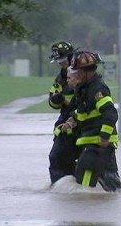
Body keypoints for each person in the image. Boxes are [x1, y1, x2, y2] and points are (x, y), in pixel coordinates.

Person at [69, 50, 121, 192]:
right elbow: (85, 111)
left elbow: (110, 113)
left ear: (87, 71)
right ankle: (116, 202)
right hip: (93, 141)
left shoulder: (97, 89)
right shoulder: (85, 88)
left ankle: (87, 209)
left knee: (85, 175)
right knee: (110, 180)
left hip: (98, 141)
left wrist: (104, 137)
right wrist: (72, 120)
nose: (77, 75)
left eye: (79, 71)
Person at [47, 41, 80, 185]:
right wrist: (56, 99)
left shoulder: (82, 74)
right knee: (56, 158)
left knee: (86, 161)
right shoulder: (60, 78)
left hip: (81, 122)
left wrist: (65, 100)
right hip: (65, 121)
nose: (61, 64)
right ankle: (60, 188)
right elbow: (53, 102)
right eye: (58, 61)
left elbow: (84, 101)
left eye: (63, 60)